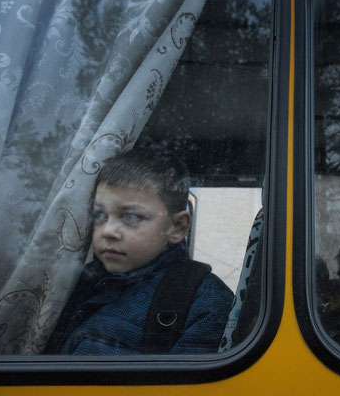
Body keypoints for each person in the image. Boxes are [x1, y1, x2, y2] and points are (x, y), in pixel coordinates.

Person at [45, 150, 233, 355]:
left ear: (177, 227)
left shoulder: (203, 303)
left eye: (131, 217)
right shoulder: (78, 281)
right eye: (100, 215)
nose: (108, 231)